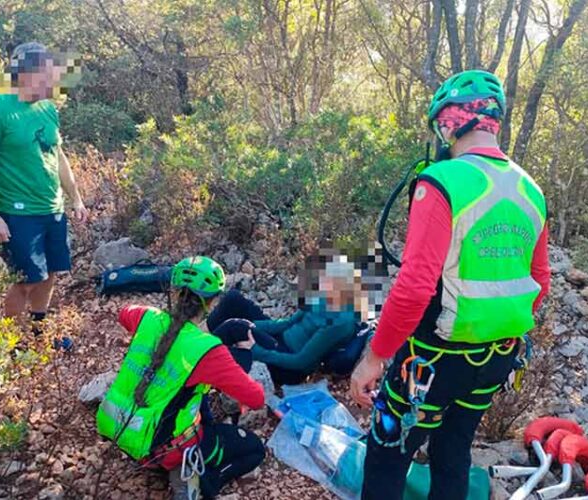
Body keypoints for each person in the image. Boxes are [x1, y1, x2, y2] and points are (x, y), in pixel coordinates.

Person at [350, 70, 551, 500]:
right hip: (497, 356)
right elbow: (539, 280)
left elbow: (415, 285)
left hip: (432, 359)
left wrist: (375, 357)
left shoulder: (442, 182)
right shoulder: (531, 190)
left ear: (449, 122)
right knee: (453, 451)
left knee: (387, 454)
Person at [96, 256, 265, 499]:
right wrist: (243, 355)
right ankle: (202, 483)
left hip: (120, 430)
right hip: (164, 448)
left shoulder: (147, 318)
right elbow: (256, 398)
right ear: (212, 303)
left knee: (190, 394)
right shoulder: (207, 350)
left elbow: (125, 313)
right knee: (254, 449)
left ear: (175, 293)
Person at [0, 42, 86, 347]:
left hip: (52, 208)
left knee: (50, 273)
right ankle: (10, 344)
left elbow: (57, 155)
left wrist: (75, 198)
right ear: (23, 74)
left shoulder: (47, 107)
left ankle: (38, 333)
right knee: (26, 279)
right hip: (17, 212)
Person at [207, 255, 365, 385]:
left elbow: (301, 361)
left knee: (233, 337)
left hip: (289, 365)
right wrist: (249, 325)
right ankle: (202, 339)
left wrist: (258, 351)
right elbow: (286, 323)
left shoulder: (340, 322)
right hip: (278, 340)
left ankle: (204, 358)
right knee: (233, 300)